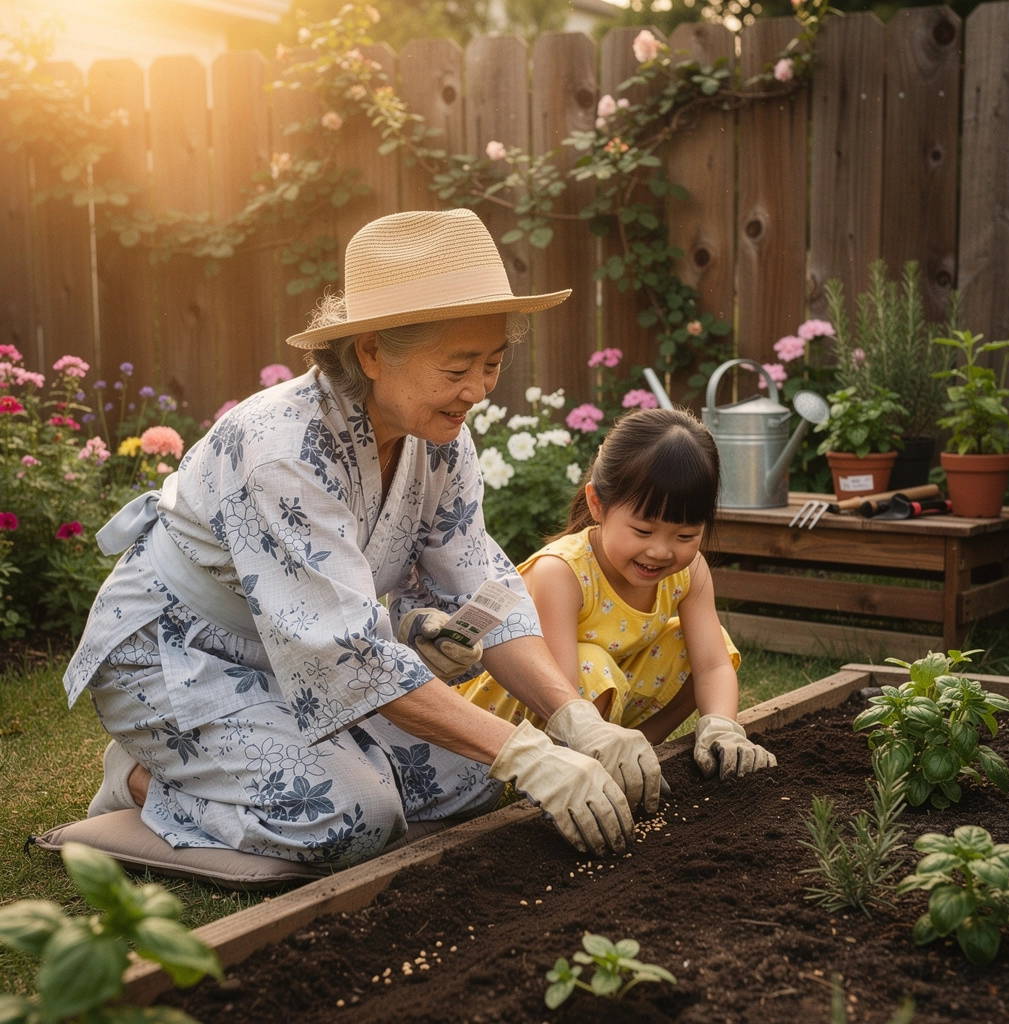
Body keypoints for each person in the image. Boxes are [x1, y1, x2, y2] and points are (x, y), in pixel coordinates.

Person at [64, 209, 662, 867]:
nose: (479, 390)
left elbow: (481, 584)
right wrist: (527, 755)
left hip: (302, 657)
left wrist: (574, 720)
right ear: (373, 351)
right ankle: (145, 775)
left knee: (468, 778)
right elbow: (346, 658)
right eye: (458, 366)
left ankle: (243, 762)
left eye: (492, 363)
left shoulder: (440, 438)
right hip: (181, 655)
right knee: (353, 820)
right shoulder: (282, 453)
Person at [455, 407, 777, 779]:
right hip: (523, 715)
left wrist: (722, 725)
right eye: (643, 531)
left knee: (709, 643)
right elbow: (559, 692)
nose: (660, 551)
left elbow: (713, 665)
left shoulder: (690, 570)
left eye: (685, 536)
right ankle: (587, 767)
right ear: (598, 504)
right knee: (592, 664)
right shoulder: (561, 573)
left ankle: (638, 749)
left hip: (599, 703)